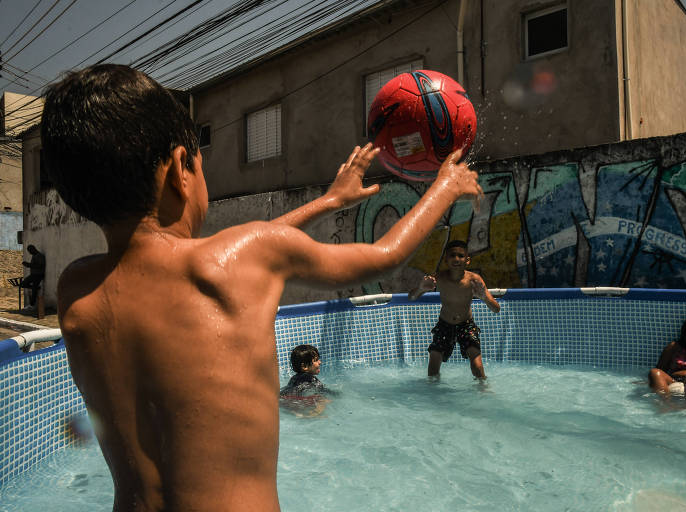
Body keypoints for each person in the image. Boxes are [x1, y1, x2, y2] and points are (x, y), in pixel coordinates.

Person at [41, 64, 481, 512]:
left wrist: (329, 202)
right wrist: (445, 186)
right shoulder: (244, 259)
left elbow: (245, 246)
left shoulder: (77, 288)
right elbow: (385, 254)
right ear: (179, 170)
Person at [408, 239, 500, 379]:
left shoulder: (474, 280)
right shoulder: (439, 277)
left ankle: (483, 392)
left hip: (466, 325)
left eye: (460, 256)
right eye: (452, 255)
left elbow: (496, 309)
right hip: (444, 325)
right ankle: (433, 395)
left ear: (467, 260)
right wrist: (420, 288)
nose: (456, 259)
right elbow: (411, 298)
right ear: (446, 259)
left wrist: (484, 297)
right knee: (433, 367)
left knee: (477, 366)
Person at [279, 344, 334, 417]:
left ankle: (297, 413)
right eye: (316, 360)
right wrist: (335, 394)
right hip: (295, 401)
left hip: (282, 399)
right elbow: (323, 391)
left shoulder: (294, 378)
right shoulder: (311, 378)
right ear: (304, 366)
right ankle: (313, 415)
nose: (320, 362)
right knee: (322, 399)